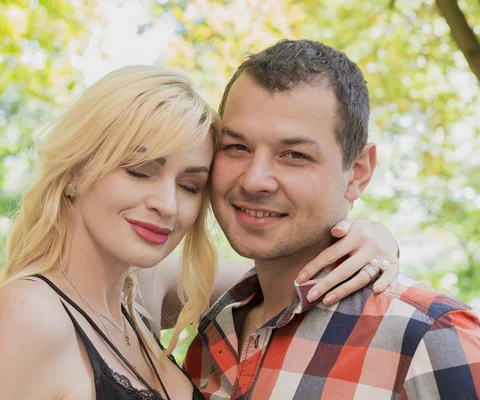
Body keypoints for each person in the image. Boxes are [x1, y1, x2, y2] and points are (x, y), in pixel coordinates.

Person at [0, 65, 400, 400]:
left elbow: (285, 269)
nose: (166, 203)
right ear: (76, 170)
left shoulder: (139, 292)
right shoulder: (28, 315)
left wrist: (372, 236)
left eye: (189, 185)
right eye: (140, 170)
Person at [183, 39, 480, 399]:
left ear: (357, 172)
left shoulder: (430, 336)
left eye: (294, 154)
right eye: (237, 147)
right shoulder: (213, 334)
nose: (254, 179)